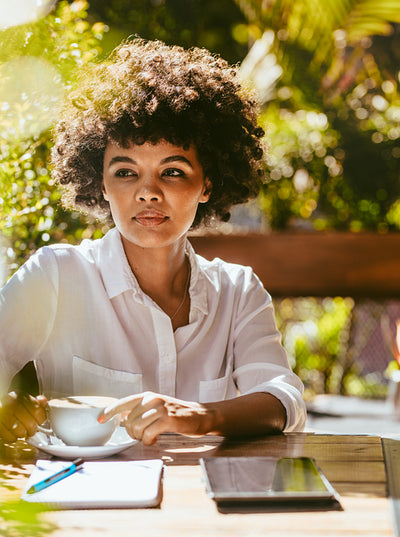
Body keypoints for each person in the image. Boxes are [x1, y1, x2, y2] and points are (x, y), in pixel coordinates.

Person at [0, 38, 305, 445]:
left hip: (204, 504)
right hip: (85, 504)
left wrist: (197, 417)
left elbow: (282, 400)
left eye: (173, 171)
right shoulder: (55, 276)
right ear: (101, 184)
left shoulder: (238, 292)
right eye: (125, 172)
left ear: (207, 184)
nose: (148, 192)